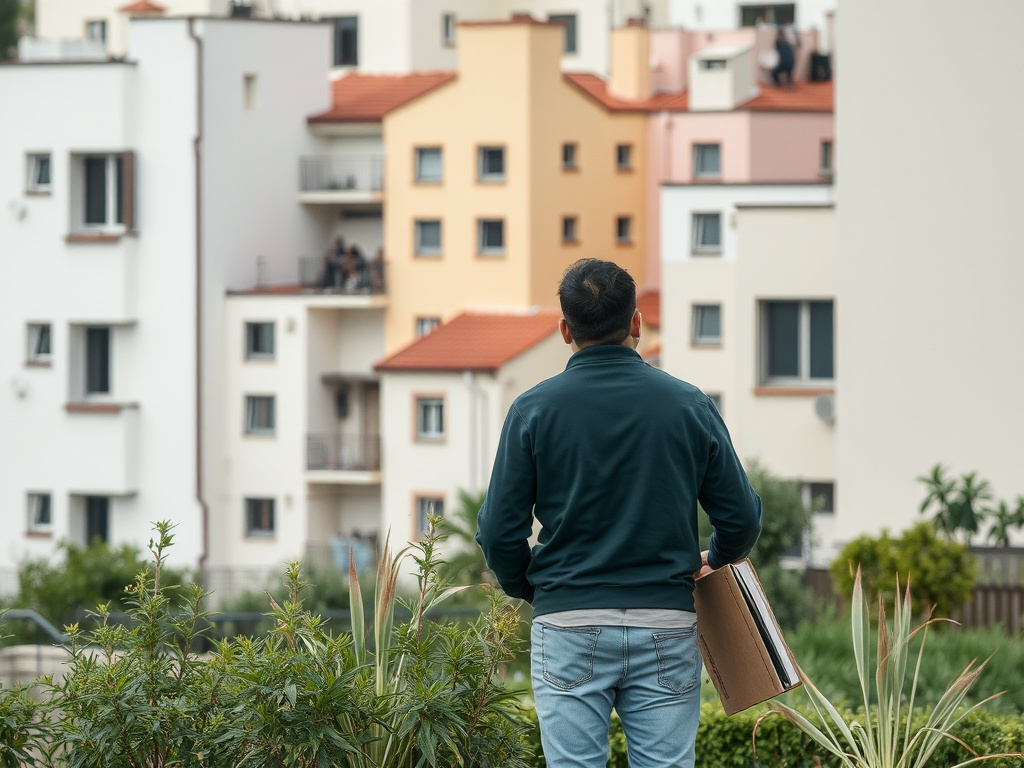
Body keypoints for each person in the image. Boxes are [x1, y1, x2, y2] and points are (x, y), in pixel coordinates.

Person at [476, 258, 762, 768]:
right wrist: (711, 559)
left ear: (565, 330)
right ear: (635, 323)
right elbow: (741, 519)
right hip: (666, 621)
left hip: (567, 620)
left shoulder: (532, 411)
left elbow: (499, 532)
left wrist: (534, 588)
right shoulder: (689, 406)